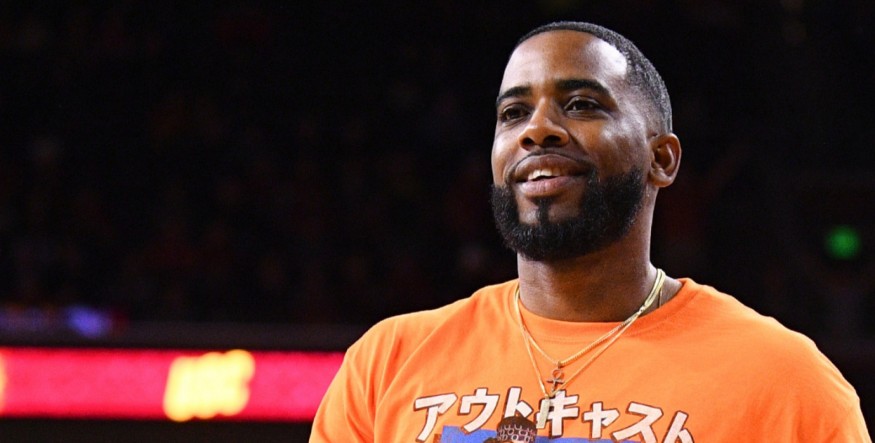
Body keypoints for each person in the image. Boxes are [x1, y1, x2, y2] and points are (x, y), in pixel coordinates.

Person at [309, 21, 871, 442]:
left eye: (580, 104)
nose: (537, 130)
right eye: (513, 113)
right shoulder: (386, 363)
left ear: (662, 159)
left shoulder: (784, 382)